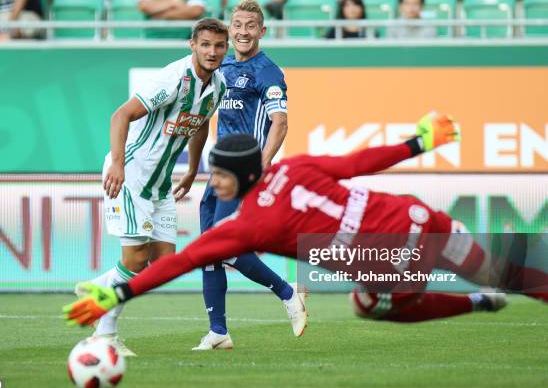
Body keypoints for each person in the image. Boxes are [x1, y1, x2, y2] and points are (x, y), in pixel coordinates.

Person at [64, 114, 548, 328]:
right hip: (420, 218)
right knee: (502, 270)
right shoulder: (296, 167)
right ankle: (500, 285)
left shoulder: (247, 225)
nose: (215, 183)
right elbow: (360, 162)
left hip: (391, 261)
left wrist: (121, 291)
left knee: (371, 306)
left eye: (221, 176)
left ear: (244, 175)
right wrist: (419, 142)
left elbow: (185, 259)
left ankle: (479, 304)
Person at [73, 18, 229, 357]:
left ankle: (96, 290)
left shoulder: (219, 86)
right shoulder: (172, 79)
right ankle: (105, 335)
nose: (212, 52)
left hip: (160, 183)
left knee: (161, 266)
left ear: (226, 48)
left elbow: (200, 126)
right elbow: (120, 115)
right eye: (205, 44)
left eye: (218, 46)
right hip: (131, 174)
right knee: (134, 260)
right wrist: (117, 163)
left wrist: (191, 168)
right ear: (192, 44)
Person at [194, 0, 304, 351]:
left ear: (262, 31)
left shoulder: (267, 71)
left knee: (224, 245)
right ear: (230, 27)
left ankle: (288, 294)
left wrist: (262, 164)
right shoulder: (221, 64)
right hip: (218, 171)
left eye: (250, 26)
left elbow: (281, 122)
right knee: (207, 250)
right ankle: (218, 331)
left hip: (244, 173)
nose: (243, 32)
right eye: (238, 25)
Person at [137, 0, 206, 39]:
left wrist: (160, 14)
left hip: (185, 40)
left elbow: (196, 11)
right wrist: (173, 1)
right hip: (151, 39)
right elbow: (144, 6)